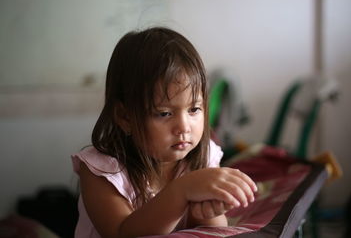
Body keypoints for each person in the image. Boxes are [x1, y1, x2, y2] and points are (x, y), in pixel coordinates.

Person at [71, 27, 257, 238]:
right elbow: (121, 233)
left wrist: (210, 210)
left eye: (194, 109)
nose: (184, 127)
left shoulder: (203, 156)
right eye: (165, 113)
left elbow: (211, 230)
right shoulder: (102, 171)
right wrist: (182, 191)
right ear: (125, 117)